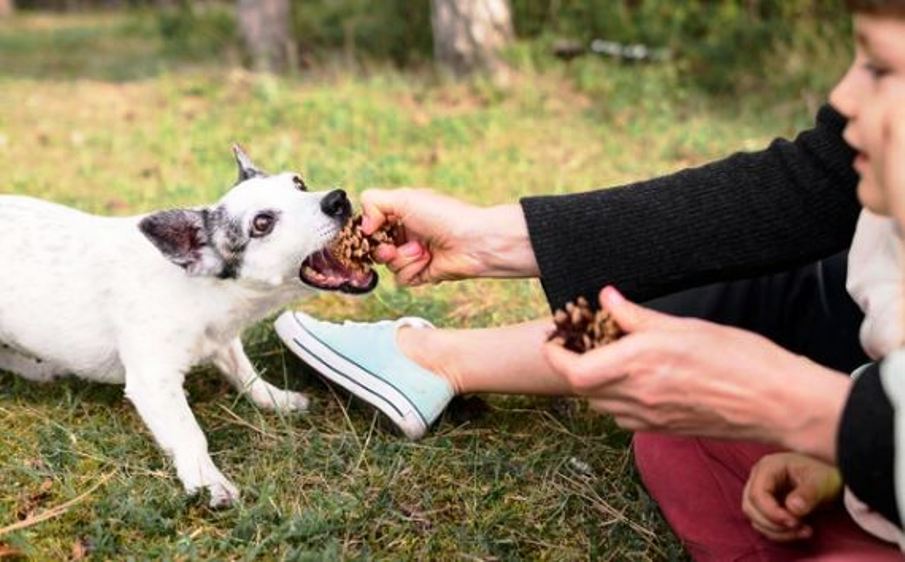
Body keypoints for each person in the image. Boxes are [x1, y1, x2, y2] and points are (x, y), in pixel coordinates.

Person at [273, 0, 905, 558]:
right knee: (677, 313)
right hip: (855, 346)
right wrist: (495, 237)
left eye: (879, 67)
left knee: (687, 402)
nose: (842, 97)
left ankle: (439, 360)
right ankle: (443, 360)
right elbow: (807, 186)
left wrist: (821, 420)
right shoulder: (865, 177)